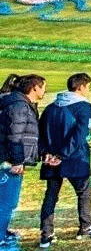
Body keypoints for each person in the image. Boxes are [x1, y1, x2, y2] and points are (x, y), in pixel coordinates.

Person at [38, 73, 91, 247]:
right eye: (88, 86)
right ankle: (86, 226)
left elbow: (41, 133)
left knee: (51, 195)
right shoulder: (84, 106)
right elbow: (81, 133)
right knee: (84, 192)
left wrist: (46, 153)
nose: (88, 90)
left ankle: (46, 233)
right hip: (74, 157)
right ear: (81, 87)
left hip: (51, 157)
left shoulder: (50, 107)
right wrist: (62, 155)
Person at [0, 74, 45, 249]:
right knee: (6, 201)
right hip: (8, 161)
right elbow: (15, 136)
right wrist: (18, 161)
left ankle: (3, 230)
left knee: (8, 201)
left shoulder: (20, 104)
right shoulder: (19, 106)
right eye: (43, 87)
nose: (44, 90)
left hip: (10, 159)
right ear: (34, 87)